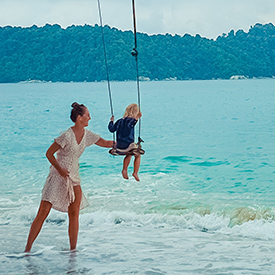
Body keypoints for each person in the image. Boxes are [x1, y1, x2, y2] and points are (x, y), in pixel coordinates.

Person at [24, 102, 113, 252]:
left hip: (74, 177)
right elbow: (49, 154)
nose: (90, 118)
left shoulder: (87, 135)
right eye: (87, 115)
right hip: (57, 176)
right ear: (79, 118)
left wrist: (126, 146)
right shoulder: (66, 136)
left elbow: (105, 143)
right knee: (43, 213)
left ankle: (73, 251)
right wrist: (60, 169)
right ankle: (27, 250)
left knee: (74, 213)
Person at [108, 103, 142, 181]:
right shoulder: (131, 121)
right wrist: (136, 118)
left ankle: (124, 170)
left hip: (119, 146)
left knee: (129, 154)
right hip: (128, 146)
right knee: (138, 155)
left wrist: (111, 122)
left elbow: (111, 129)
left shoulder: (119, 121)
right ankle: (135, 173)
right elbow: (130, 125)